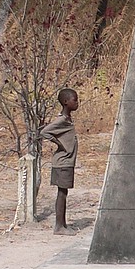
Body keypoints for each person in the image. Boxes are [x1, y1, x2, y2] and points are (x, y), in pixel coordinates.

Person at [39, 87, 80, 235]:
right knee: (62, 193)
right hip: (62, 162)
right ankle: (59, 226)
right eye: (74, 100)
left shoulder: (67, 119)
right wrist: (59, 144)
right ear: (65, 102)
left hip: (66, 162)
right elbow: (44, 132)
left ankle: (62, 224)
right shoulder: (62, 120)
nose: (77, 103)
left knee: (64, 192)